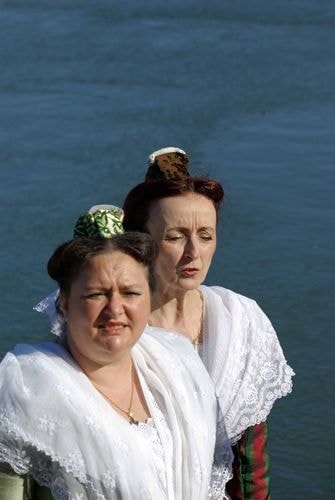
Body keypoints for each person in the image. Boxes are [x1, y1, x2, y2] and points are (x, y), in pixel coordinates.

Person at [0, 206, 230, 499]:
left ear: (149, 300)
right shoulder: (26, 390)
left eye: (131, 293)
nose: (115, 309)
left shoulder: (178, 366)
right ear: (63, 304)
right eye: (96, 294)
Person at [122, 147, 295, 499]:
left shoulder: (241, 324)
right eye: (175, 236)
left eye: (205, 235)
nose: (193, 252)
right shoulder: (116, 330)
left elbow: (251, 465)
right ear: (141, 242)